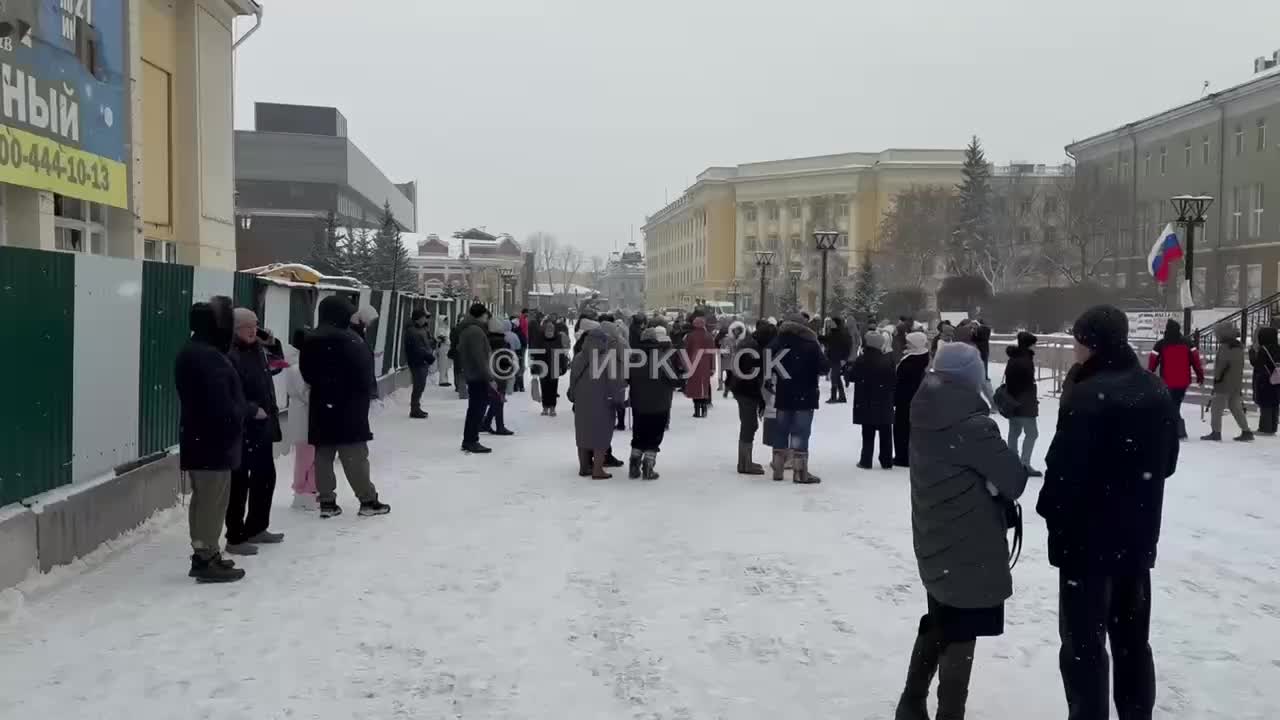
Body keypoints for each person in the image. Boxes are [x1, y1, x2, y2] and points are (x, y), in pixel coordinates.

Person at [1038, 305, 1178, 720]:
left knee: (1083, 644)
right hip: (1135, 538)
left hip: (1086, 543)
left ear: (1092, 343)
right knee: (1133, 640)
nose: (1075, 348)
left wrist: (1053, 510)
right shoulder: (1153, 389)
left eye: (1079, 340)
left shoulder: (1086, 395)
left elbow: (1063, 473)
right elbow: (1166, 463)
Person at [895, 341, 1027, 720]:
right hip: (968, 542)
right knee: (961, 630)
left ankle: (912, 700)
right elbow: (1014, 480)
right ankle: (949, 713)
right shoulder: (972, 426)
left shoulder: (925, 408)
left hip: (935, 533)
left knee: (941, 618)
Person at [299, 295, 391, 518]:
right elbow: (364, 374)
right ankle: (367, 500)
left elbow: (307, 373)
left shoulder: (310, 338)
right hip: (349, 407)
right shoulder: (350, 340)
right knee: (355, 456)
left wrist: (326, 387)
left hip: (321, 405)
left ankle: (327, 502)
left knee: (323, 455)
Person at [175, 297, 246, 583]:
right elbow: (221, 403)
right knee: (211, 501)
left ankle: (207, 552)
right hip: (212, 441)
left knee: (206, 499)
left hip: (202, 438)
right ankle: (205, 559)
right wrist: (239, 416)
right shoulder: (206, 356)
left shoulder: (196, 351)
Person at [224, 308, 284, 554]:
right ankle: (235, 537)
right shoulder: (230, 354)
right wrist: (251, 410)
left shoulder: (258, 349)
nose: (252, 330)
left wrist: (273, 344)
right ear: (234, 330)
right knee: (239, 485)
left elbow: (278, 367)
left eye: (255, 325)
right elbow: (227, 394)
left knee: (265, 478)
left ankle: (257, 527)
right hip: (242, 428)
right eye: (246, 327)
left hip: (262, 427)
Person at [767, 314, 829, 484]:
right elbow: (824, 367)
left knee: (781, 430)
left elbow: (766, 362)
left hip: (783, 393)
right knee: (800, 432)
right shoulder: (811, 344)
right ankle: (800, 473)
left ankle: (778, 470)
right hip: (805, 393)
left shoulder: (778, 342)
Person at [568, 322, 624, 479]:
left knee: (583, 435)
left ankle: (584, 467)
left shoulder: (579, 357)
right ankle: (597, 470)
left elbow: (573, 380)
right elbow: (615, 383)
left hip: (581, 403)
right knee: (600, 436)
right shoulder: (608, 359)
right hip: (602, 403)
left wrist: (573, 395)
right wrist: (619, 400)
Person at [627, 325, 684, 479]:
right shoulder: (661, 357)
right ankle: (648, 466)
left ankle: (634, 463)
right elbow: (673, 379)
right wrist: (682, 381)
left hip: (638, 403)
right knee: (654, 435)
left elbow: (626, 378)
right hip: (659, 403)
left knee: (638, 434)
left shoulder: (634, 357)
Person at [1146, 319, 1204, 440]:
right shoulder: (1188, 343)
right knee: (1174, 404)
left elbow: (1153, 361)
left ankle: (1178, 431)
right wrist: (1200, 375)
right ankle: (1175, 430)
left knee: (1171, 406)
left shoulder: (1161, 344)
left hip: (1167, 381)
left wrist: (1149, 374)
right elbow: (1196, 360)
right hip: (1183, 381)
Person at [847, 331, 896, 470]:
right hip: (884, 400)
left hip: (866, 400)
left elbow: (852, 377)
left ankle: (866, 459)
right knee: (886, 431)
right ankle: (886, 460)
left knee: (868, 432)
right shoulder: (888, 359)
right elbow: (893, 380)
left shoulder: (862, 360)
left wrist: (850, 369)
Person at [729, 320, 772, 475]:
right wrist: (760, 399)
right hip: (746, 391)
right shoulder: (753, 350)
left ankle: (745, 462)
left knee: (749, 424)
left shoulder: (751, 345)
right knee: (749, 425)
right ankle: (744, 464)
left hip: (742, 390)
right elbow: (751, 377)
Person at [456, 303, 498, 453]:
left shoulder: (468, 329)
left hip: (473, 374)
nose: (488, 319)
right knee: (477, 409)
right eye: (487, 316)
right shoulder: (475, 331)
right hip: (477, 375)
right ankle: (471, 440)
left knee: (475, 408)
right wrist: (490, 377)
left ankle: (470, 439)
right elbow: (479, 357)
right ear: (481, 315)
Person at [284, 328, 318, 512]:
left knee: (307, 457)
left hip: (304, 416)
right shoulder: (298, 367)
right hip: (305, 416)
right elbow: (306, 394)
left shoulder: (297, 364)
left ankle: (306, 491)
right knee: (307, 458)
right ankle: (303, 491)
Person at [1203, 323, 1253, 441]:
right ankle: (1246, 431)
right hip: (1236, 382)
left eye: (1217, 333)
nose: (1216, 335)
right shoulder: (1238, 347)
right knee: (1235, 407)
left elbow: (1221, 365)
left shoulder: (1225, 347)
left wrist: (1217, 378)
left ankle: (1216, 432)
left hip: (1224, 382)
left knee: (1216, 408)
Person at [1002, 331, 1041, 476]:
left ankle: (1012, 462)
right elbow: (1026, 384)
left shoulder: (1014, 357)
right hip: (1024, 403)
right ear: (1029, 344)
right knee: (1032, 433)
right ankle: (1024, 464)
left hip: (1012, 401)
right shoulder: (1025, 360)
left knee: (1014, 432)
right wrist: (1029, 401)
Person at [893, 331, 930, 468]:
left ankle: (902, 457)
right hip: (917, 399)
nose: (906, 344)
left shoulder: (911, 361)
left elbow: (902, 382)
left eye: (909, 342)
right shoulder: (923, 356)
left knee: (902, 429)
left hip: (906, 400)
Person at [481, 316, 516, 436]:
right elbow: (504, 358)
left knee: (495, 399)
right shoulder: (501, 342)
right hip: (500, 373)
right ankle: (499, 426)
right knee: (498, 400)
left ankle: (487, 422)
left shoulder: (486, 339)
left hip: (490, 372)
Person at [532, 315, 569, 416]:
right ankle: (545, 407)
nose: (549, 331)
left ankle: (552, 407)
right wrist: (535, 368)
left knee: (553, 388)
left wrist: (562, 366)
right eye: (548, 329)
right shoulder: (540, 339)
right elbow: (535, 354)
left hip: (555, 367)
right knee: (544, 387)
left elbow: (561, 354)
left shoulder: (558, 339)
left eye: (551, 329)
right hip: (542, 367)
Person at [404, 308, 436, 419]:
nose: (425, 319)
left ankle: (416, 407)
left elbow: (425, 343)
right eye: (423, 317)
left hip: (422, 361)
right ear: (418, 319)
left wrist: (432, 342)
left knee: (420, 385)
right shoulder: (412, 331)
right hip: (417, 362)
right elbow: (418, 348)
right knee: (418, 385)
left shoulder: (421, 329)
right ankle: (414, 409)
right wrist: (428, 356)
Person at [683, 316, 715, 417]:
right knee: (704, 386)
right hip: (705, 364)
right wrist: (712, 366)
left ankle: (697, 410)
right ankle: (704, 409)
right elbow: (712, 353)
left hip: (693, 364)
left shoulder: (690, 336)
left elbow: (687, 351)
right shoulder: (709, 336)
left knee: (695, 387)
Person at [1250, 326, 1280, 436]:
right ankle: (1273, 427)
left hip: (1265, 380)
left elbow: (1256, 363)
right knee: (1275, 403)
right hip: (1277, 379)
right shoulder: (1278, 347)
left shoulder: (1264, 349)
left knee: (1266, 404)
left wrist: (1252, 351)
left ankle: (1265, 428)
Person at [824, 316, 854, 403]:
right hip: (833, 357)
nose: (830, 324)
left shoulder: (842, 334)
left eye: (832, 323)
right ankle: (842, 396)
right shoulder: (832, 333)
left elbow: (847, 347)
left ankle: (834, 397)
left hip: (839, 359)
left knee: (834, 377)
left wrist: (844, 358)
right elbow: (828, 341)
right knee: (836, 377)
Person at [719, 320, 747, 399]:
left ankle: (735, 391)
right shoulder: (727, 339)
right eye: (735, 330)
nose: (736, 332)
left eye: (738, 330)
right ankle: (727, 390)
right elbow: (723, 349)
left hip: (739, 362)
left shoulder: (743, 340)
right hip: (729, 362)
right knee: (730, 377)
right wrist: (726, 353)